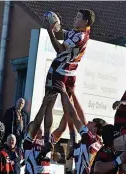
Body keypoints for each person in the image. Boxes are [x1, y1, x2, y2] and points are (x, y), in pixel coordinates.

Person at [43, 9, 95, 145]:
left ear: (85, 22)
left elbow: (59, 49)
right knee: (68, 110)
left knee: (49, 104)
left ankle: (47, 138)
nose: (75, 19)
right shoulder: (77, 32)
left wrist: (50, 33)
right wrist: (55, 26)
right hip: (71, 74)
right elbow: (62, 33)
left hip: (59, 70)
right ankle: (73, 140)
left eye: (78, 17)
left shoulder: (80, 36)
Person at [54, 82, 106, 174]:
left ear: (94, 129)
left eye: (90, 123)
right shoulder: (91, 141)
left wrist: (65, 94)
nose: (87, 123)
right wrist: (72, 95)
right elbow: (75, 119)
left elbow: (76, 116)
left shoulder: (91, 140)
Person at [20, 92, 68, 174]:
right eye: (35, 127)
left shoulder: (47, 140)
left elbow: (62, 128)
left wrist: (67, 106)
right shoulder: (28, 143)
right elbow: (36, 123)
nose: (39, 127)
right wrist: (44, 104)